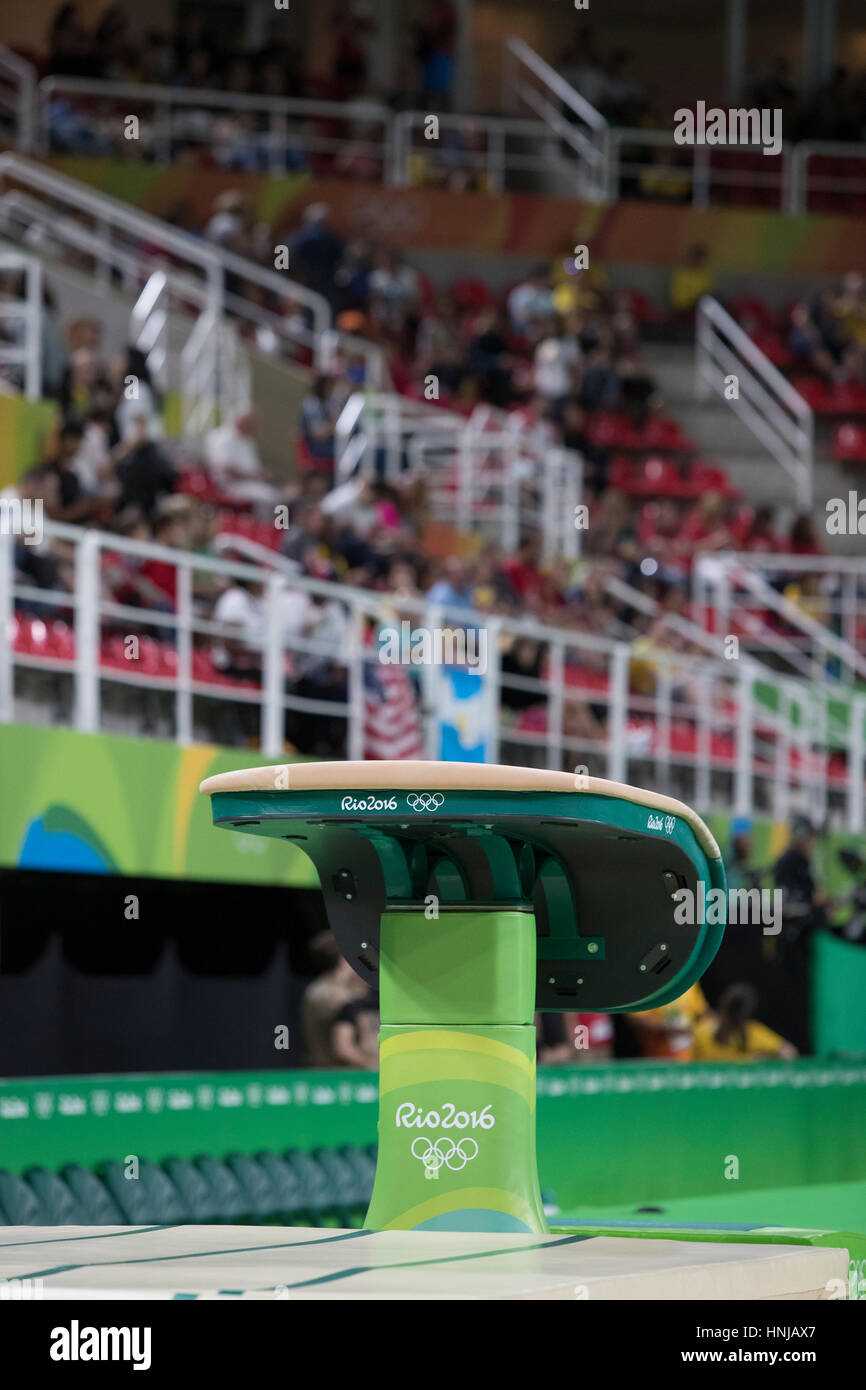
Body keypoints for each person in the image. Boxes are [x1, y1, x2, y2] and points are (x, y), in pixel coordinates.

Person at [301, 931, 369, 1066]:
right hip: (341, 1076)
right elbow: (343, 1049)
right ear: (344, 959)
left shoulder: (315, 989)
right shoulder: (341, 997)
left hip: (320, 1070)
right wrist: (372, 1065)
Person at [692, 983, 797, 1062]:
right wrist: (760, 1057)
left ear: (723, 1003)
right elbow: (789, 1053)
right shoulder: (754, 1033)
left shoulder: (701, 1030)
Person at [203, 410, 278, 509]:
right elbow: (227, 469)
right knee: (270, 498)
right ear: (242, 422)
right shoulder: (221, 438)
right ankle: (265, 524)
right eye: (251, 425)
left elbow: (253, 467)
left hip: (249, 483)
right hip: (229, 486)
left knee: (279, 494)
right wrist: (255, 476)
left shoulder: (248, 440)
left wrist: (263, 474)